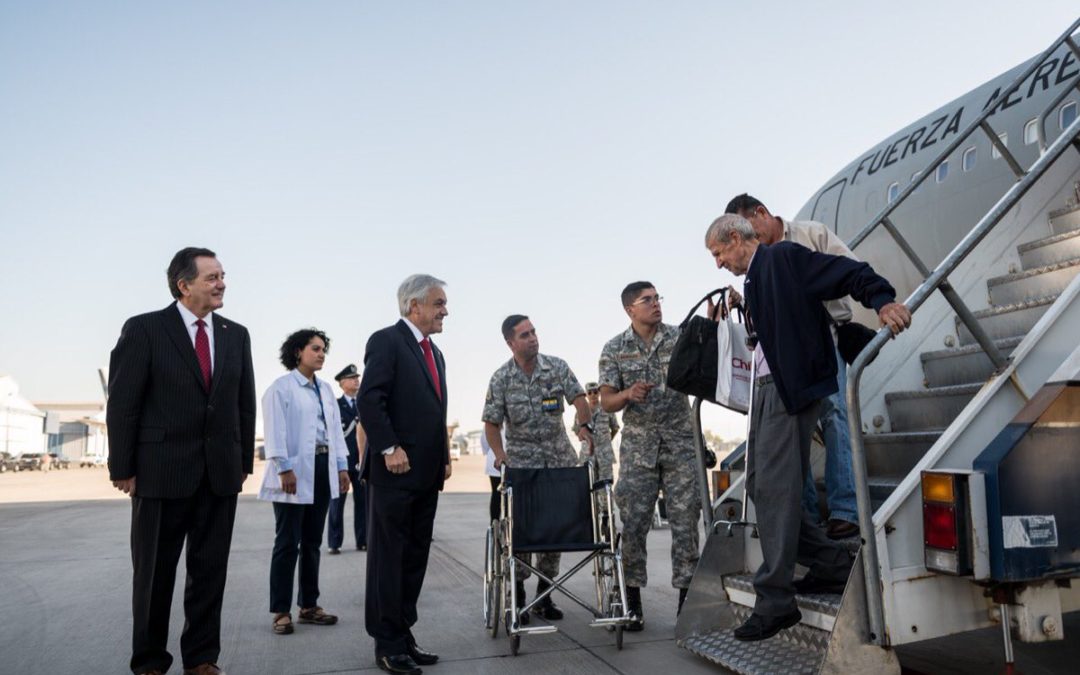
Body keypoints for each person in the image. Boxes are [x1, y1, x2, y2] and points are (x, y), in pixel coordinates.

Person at [704, 214, 911, 642]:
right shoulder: (754, 281)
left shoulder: (782, 258)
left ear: (738, 238)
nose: (719, 263)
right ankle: (833, 566)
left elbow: (848, 272)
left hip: (789, 389)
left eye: (719, 253)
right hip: (767, 388)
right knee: (762, 487)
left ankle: (776, 601)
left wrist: (883, 300)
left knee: (778, 491)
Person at [107, 246, 255, 675]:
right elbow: (123, 404)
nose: (222, 283)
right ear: (183, 284)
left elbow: (243, 404)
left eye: (223, 275)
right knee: (154, 577)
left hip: (219, 473)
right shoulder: (145, 329)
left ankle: (202, 658)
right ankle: (151, 661)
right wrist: (123, 467)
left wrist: (242, 460)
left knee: (209, 573)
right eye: (212, 277)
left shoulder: (235, 333)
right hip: (160, 474)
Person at [726, 193, 860, 539]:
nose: (746, 237)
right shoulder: (756, 265)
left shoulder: (809, 235)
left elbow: (848, 269)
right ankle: (807, 516)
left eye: (746, 227)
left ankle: (845, 508)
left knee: (835, 417)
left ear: (761, 213)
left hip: (823, 337)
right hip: (786, 354)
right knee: (792, 434)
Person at [357, 274, 451, 675]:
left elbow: (435, 412)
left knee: (414, 558)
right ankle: (387, 643)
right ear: (415, 306)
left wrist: (444, 456)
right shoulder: (387, 340)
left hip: (426, 474)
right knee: (389, 559)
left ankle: (403, 633)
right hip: (395, 471)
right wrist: (389, 447)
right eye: (439, 303)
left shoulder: (435, 353)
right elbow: (370, 398)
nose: (445, 310)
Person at [598, 283, 701, 630]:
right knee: (635, 524)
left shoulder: (679, 337)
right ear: (630, 309)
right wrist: (628, 394)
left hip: (680, 444)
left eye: (658, 298)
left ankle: (686, 606)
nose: (656, 304)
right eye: (647, 300)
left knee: (686, 522)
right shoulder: (614, 348)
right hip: (639, 450)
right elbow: (606, 401)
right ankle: (632, 605)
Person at [482, 315, 595, 623]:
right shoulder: (501, 378)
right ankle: (517, 593)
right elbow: (492, 423)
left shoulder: (556, 367)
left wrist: (583, 426)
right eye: (524, 335)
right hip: (522, 467)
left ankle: (545, 594)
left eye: (533, 332)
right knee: (522, 530)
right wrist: (500, 454)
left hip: (558, 461)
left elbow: (579, 399)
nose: (532, 338)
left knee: (555, 529)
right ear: (510, 343)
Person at [258, 329, 351, 635]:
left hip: (322, 467)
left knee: (312, 542)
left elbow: (335, 432)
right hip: (294, 470)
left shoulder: (325, 390)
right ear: (298, 352)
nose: (322, 353)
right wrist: (284, 468)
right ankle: (281, 610)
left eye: (324, 349)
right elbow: (275, 431)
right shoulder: (281, 388)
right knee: (287, 542)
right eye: (315, 348)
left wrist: (341, 467)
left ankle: (308, 605)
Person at [327, 363, 367, 553]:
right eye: (352, 378)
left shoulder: (365, 403)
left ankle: (363, 540)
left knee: (363, 503)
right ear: (342, 383)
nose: (356, 381)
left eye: (357, 378)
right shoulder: (335, 405)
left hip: (361, 460)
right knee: (336, 503)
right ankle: (334, 543)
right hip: (342, 461)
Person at [573, 382, 620, 482]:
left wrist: (606, 440)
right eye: (589, 393)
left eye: (595, 392)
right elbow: (577, 430)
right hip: (587, 455)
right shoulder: (580, 412)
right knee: (587, 486)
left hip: (605, 454)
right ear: (586, 395)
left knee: (605, 486)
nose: (593, 395)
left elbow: (615, 428)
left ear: (599, 393)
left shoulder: (607, 409)